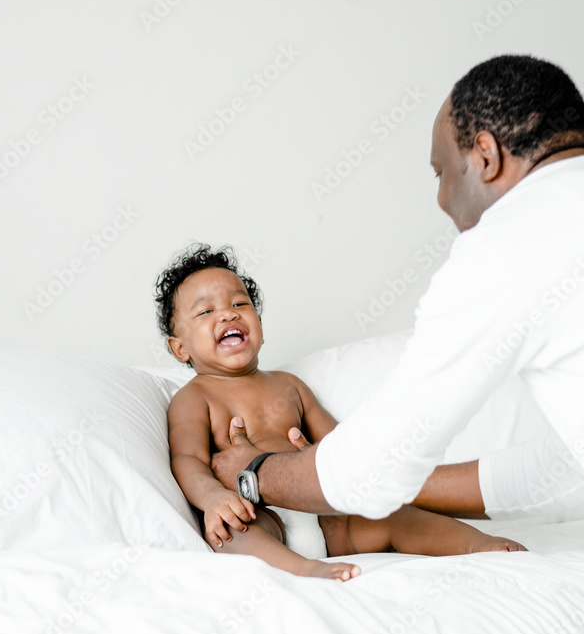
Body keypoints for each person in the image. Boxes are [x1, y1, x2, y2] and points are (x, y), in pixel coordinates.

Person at [210, 55, 584, 631]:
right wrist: (405, 478)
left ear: (485, 155)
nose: (441, 199)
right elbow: (576, 466)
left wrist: (254, 472)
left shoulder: (512, 241)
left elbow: (370, 472)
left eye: (440, 172)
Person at [157, 244, 525, 581]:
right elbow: (188, 460)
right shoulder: (194, 398)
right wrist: (211, 498)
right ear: (180, 348)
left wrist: (322, 464)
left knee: (393, 516)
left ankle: (478, 544)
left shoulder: (290, 385)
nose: (227, 315)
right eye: (206, 311)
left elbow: (343, 445)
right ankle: (304, 569)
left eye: (239, 304)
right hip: (262, 517)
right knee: (229, 535)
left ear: (261, 327)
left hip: (327, 516)